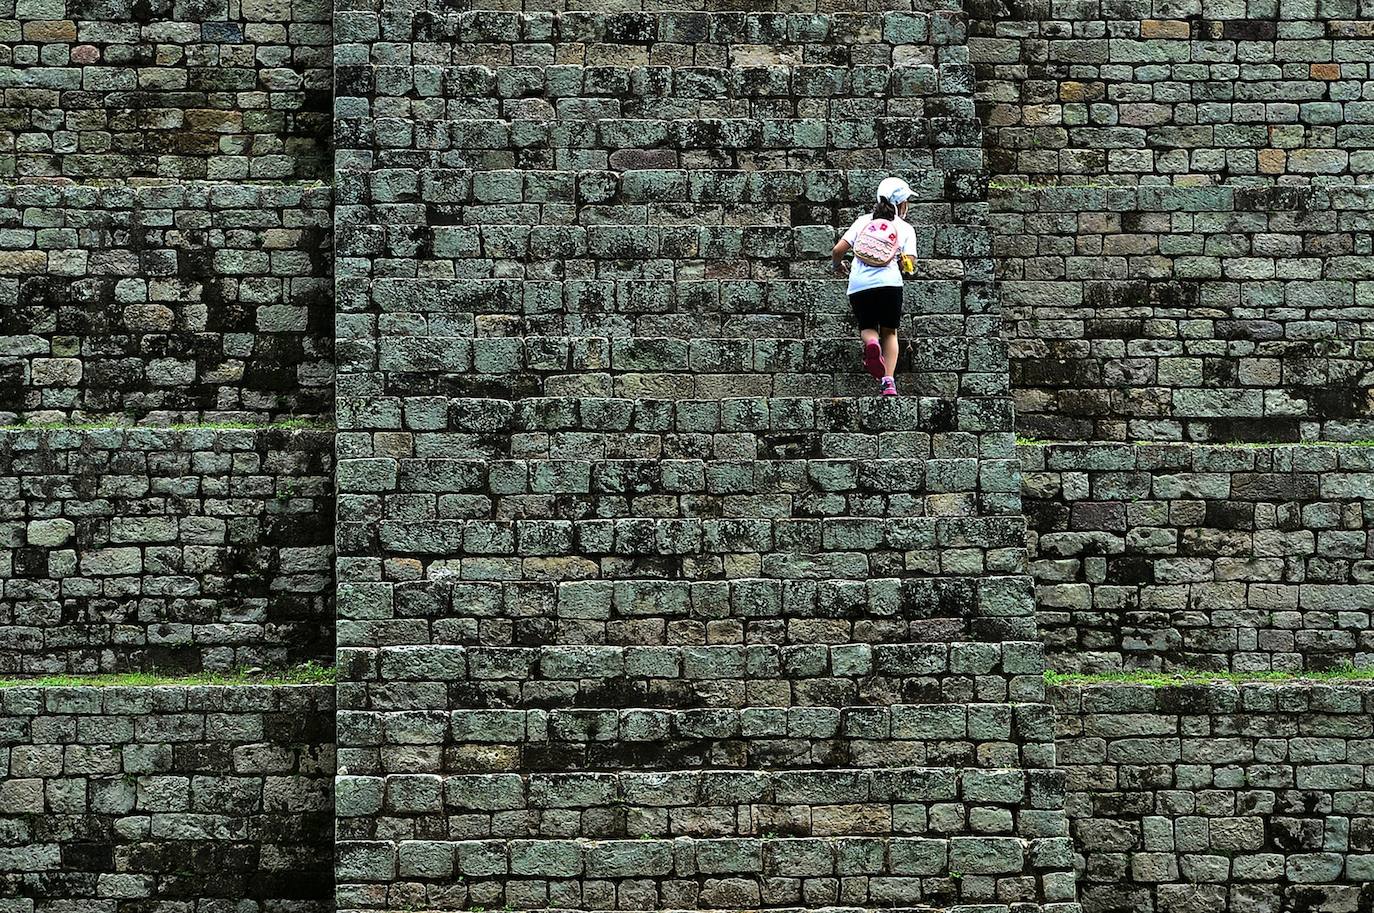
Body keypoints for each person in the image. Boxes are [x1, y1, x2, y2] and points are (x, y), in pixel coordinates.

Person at [830, 176, 918, 396]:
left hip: (860, 285)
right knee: (890, 332)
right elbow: (909, 265)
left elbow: (837, 250)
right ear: (902, 203)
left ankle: (871, 343)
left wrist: (837, 265)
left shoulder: (862, 221)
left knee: (867, 327)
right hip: (890, 285)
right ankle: (888, 382)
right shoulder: (905, 228)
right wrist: (901, 262)